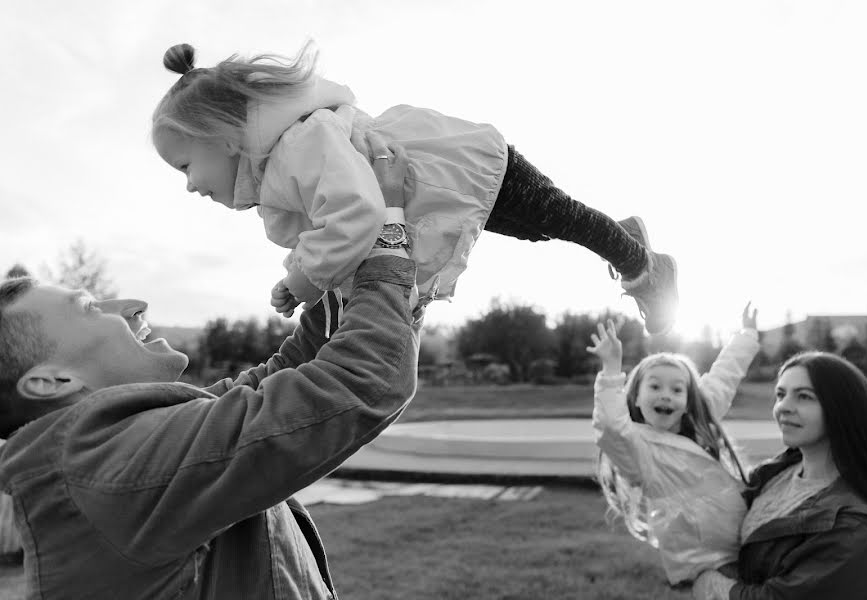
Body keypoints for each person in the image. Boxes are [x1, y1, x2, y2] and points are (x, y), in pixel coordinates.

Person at [0, 159, 421, 597]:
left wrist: (334, 271)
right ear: (52, 382)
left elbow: (281, 379)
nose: (134, 305)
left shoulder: (122, 443)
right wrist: (389, 232)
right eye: (89, 308)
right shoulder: (110, 468)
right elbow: (361, 381)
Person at [151, 42, 679, 335]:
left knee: (558, 218)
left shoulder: (297, 146)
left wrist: (304, 278)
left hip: (462, 165)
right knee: (542, 230)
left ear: (219, 137)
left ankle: (643, 264)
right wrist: (307, 276)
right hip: (450, 183)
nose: (191, 187)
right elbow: (340, 224)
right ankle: (626, 237)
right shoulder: (282, 164)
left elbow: (354, 216)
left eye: (184, 167)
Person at [692, 352, 867, 600]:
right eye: (780, 394)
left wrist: (709, 583)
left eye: (804, 396)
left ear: (843, 408)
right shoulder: (775, 472)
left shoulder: (857, 527)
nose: (784, 407)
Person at [589, 303, 760, 585]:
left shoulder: (698, 417)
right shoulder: (637, 448)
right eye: (655, 387)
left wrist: (746, 336)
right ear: (635, 398)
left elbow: (724, 377)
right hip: (704, 559)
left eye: (677, 389)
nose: (666, 395)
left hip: (741, 537)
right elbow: (609, 426)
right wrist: (610, 370)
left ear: (688, 398)